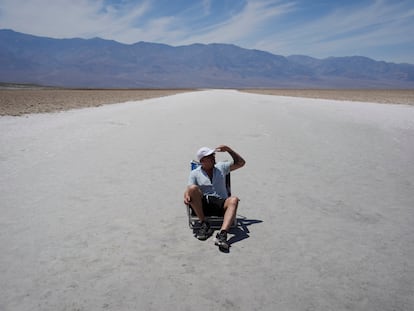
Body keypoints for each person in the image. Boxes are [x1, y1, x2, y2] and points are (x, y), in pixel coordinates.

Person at [184, 145, 245, 251]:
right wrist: (186, 195)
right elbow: (189, 188)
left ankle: (222, 234)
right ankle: (204, 223)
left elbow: (241, 163)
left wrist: (229, 150)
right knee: (193, 189)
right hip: (204, 205)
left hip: (221, 203)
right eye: (210, 156)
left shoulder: (221, 167)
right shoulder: (195, 173)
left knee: (234, 199)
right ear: (203, 160)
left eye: (213, 155)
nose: (213, 158)